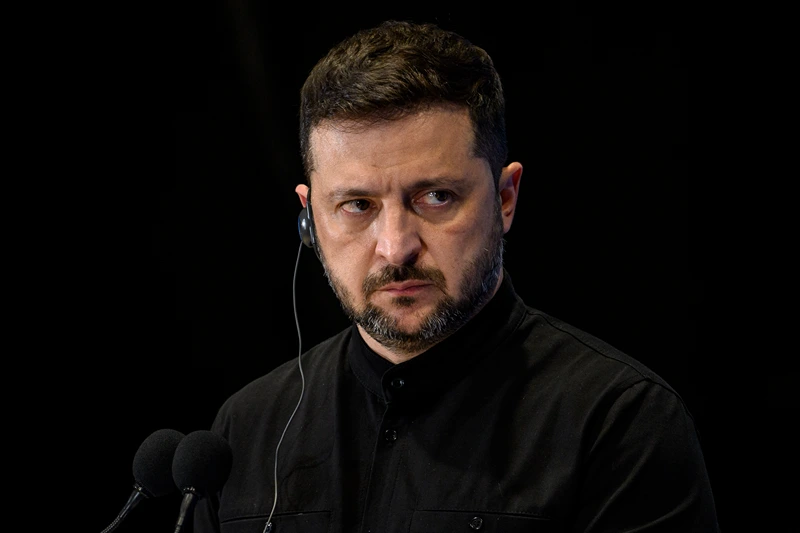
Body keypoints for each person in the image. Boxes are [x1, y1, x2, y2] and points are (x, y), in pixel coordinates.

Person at [193, 20, 719, 533]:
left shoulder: (619, 425)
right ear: (309, 218)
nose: (396, 247)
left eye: (436, 197)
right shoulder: (244, 430)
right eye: (357, 205)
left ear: (506, 197)